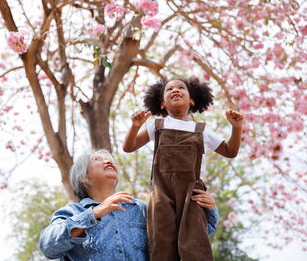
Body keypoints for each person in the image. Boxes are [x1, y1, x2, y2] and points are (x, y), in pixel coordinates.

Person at [123, 77, 243, 261]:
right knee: (161, 246)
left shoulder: (202, 129)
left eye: (181, 88)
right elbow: (128, 147)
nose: (175, 90)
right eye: (169, 89)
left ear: (192, 101)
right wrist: (134, 127)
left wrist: (236, 128)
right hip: (161, 194)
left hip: (192, 194)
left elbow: (230, 151)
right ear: (162, 104)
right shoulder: (155, 125)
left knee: (195, 245)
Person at [39, 149, 219, 261]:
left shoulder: (141, 209)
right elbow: (48, 247)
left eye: (109, 159)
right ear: (83, 178)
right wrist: (94, 214)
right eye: (96, 159)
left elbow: (183, 238)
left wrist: (208, 211)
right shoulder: (71, 212)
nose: (107, 161)